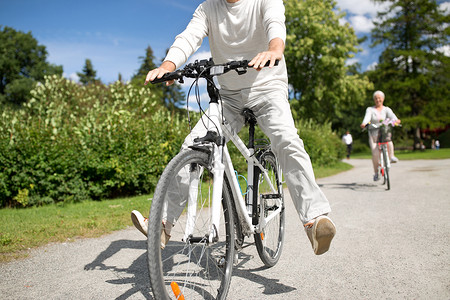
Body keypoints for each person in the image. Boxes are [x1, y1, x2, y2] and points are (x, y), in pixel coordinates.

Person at [131, 0, 336, 255]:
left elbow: (275, 23)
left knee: (286, 140)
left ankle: (314, 221)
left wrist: (275, 49)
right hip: (228, 96)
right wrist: (168, 65)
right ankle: (163, 225)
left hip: (267, 88)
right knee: (192, 145)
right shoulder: (208, 8)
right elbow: (189, 37)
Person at [360, 90, 401, 181]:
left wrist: (396, 121)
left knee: (389, 141)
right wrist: (364, 123)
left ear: (383, 99)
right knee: (375, 153)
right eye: (376, 98)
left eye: (379, 98)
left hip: (384, 131)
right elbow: (367, 118)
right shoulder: (370, 109)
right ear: (374, 100)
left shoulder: (387, 109)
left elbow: (394, 118)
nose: (378, 100)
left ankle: (391, 157)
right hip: (373, 132)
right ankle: (376, 173)